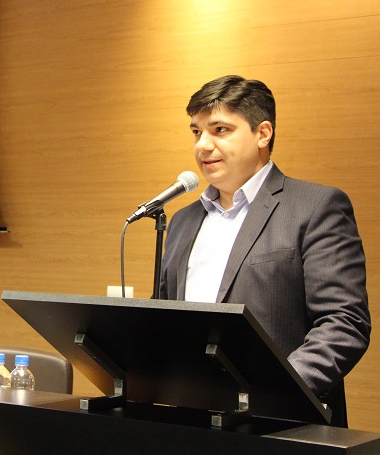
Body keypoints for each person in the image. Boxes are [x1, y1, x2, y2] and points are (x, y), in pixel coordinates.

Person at [158, 75, 370, 427]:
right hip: (192, 423)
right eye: (196, 132)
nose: (203, 146)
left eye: (220, 130)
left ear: (263, 133)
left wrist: (272, 393)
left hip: (281, 425)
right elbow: (168, 322)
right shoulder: (182, 221)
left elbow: (344, 323)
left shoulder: (315, 207)